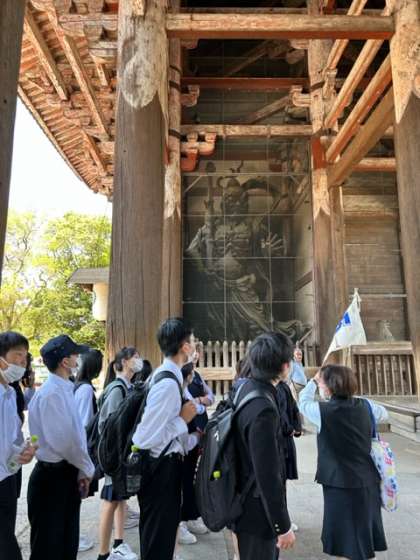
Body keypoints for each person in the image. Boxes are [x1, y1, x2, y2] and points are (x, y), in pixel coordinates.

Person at [299, 364, 389, 560]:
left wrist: (312, 381)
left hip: (339, 482)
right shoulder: (366, 406)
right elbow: (384, 413)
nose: (320, 386)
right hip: (367, 479)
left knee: (344, 540)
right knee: (362, 535)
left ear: (329, 386)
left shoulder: (321, 411)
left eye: (322, 383)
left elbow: (302, 402)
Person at [132, 317, 199, 560]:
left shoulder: (168, 375)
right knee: (158, 539)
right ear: (185, 347)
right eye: (192, 341)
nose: (194, 346)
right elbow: (144, 438)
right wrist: (183, 419)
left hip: (164, 467)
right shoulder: (167, 383)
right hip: (159, 469)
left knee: (162, 536)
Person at [27, 334, 94, 560]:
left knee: (66, 544)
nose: (78, 359)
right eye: (75, 355)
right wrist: (86, 468)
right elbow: (66, 442)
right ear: (65, 361)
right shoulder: (52, 394)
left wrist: (81, 470)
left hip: (64, 473)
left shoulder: (63, 389)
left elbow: (75, 437)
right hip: (52, 479)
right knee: (49, 548)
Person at [231, 331, 296, 560]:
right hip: (256, 510)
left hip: (243, 498)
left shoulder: (245, 388)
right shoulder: (264, 409)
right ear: (285, 366)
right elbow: (267, 474)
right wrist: (282, 525)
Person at [97, 347, 142, 560]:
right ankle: (103, 553)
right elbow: (109, 427)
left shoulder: (126, 387)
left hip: (119, 456)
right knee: (111, 501)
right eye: (136, 357)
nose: (139, 361)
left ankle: (118, 543)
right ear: (124, 362)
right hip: (114, 457)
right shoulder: (117, 389)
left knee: (120, 499)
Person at [0, 331, 36, 560]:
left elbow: (11, 437)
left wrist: (24, 450)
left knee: (7, 534)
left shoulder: (10, 393)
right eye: (17, 355)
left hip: (8, 475)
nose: (22, 363)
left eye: (25, 357)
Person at [178, 352, 214, 545]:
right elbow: (194, 406)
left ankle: (191, 515)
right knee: (182, 480)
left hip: (195, 435)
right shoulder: (175, 383)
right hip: (182, 440)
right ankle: (180, 522)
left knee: (191, 477)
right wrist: (201, 401)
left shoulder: (195, 377)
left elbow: (211, 397)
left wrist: (201, 402)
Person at [74, 349, 103, 553]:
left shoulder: (78, 386)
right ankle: (73, 536)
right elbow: (84, 424)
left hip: (76, 450)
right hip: (80, 451)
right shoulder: (85, 389)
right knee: (76, 496)